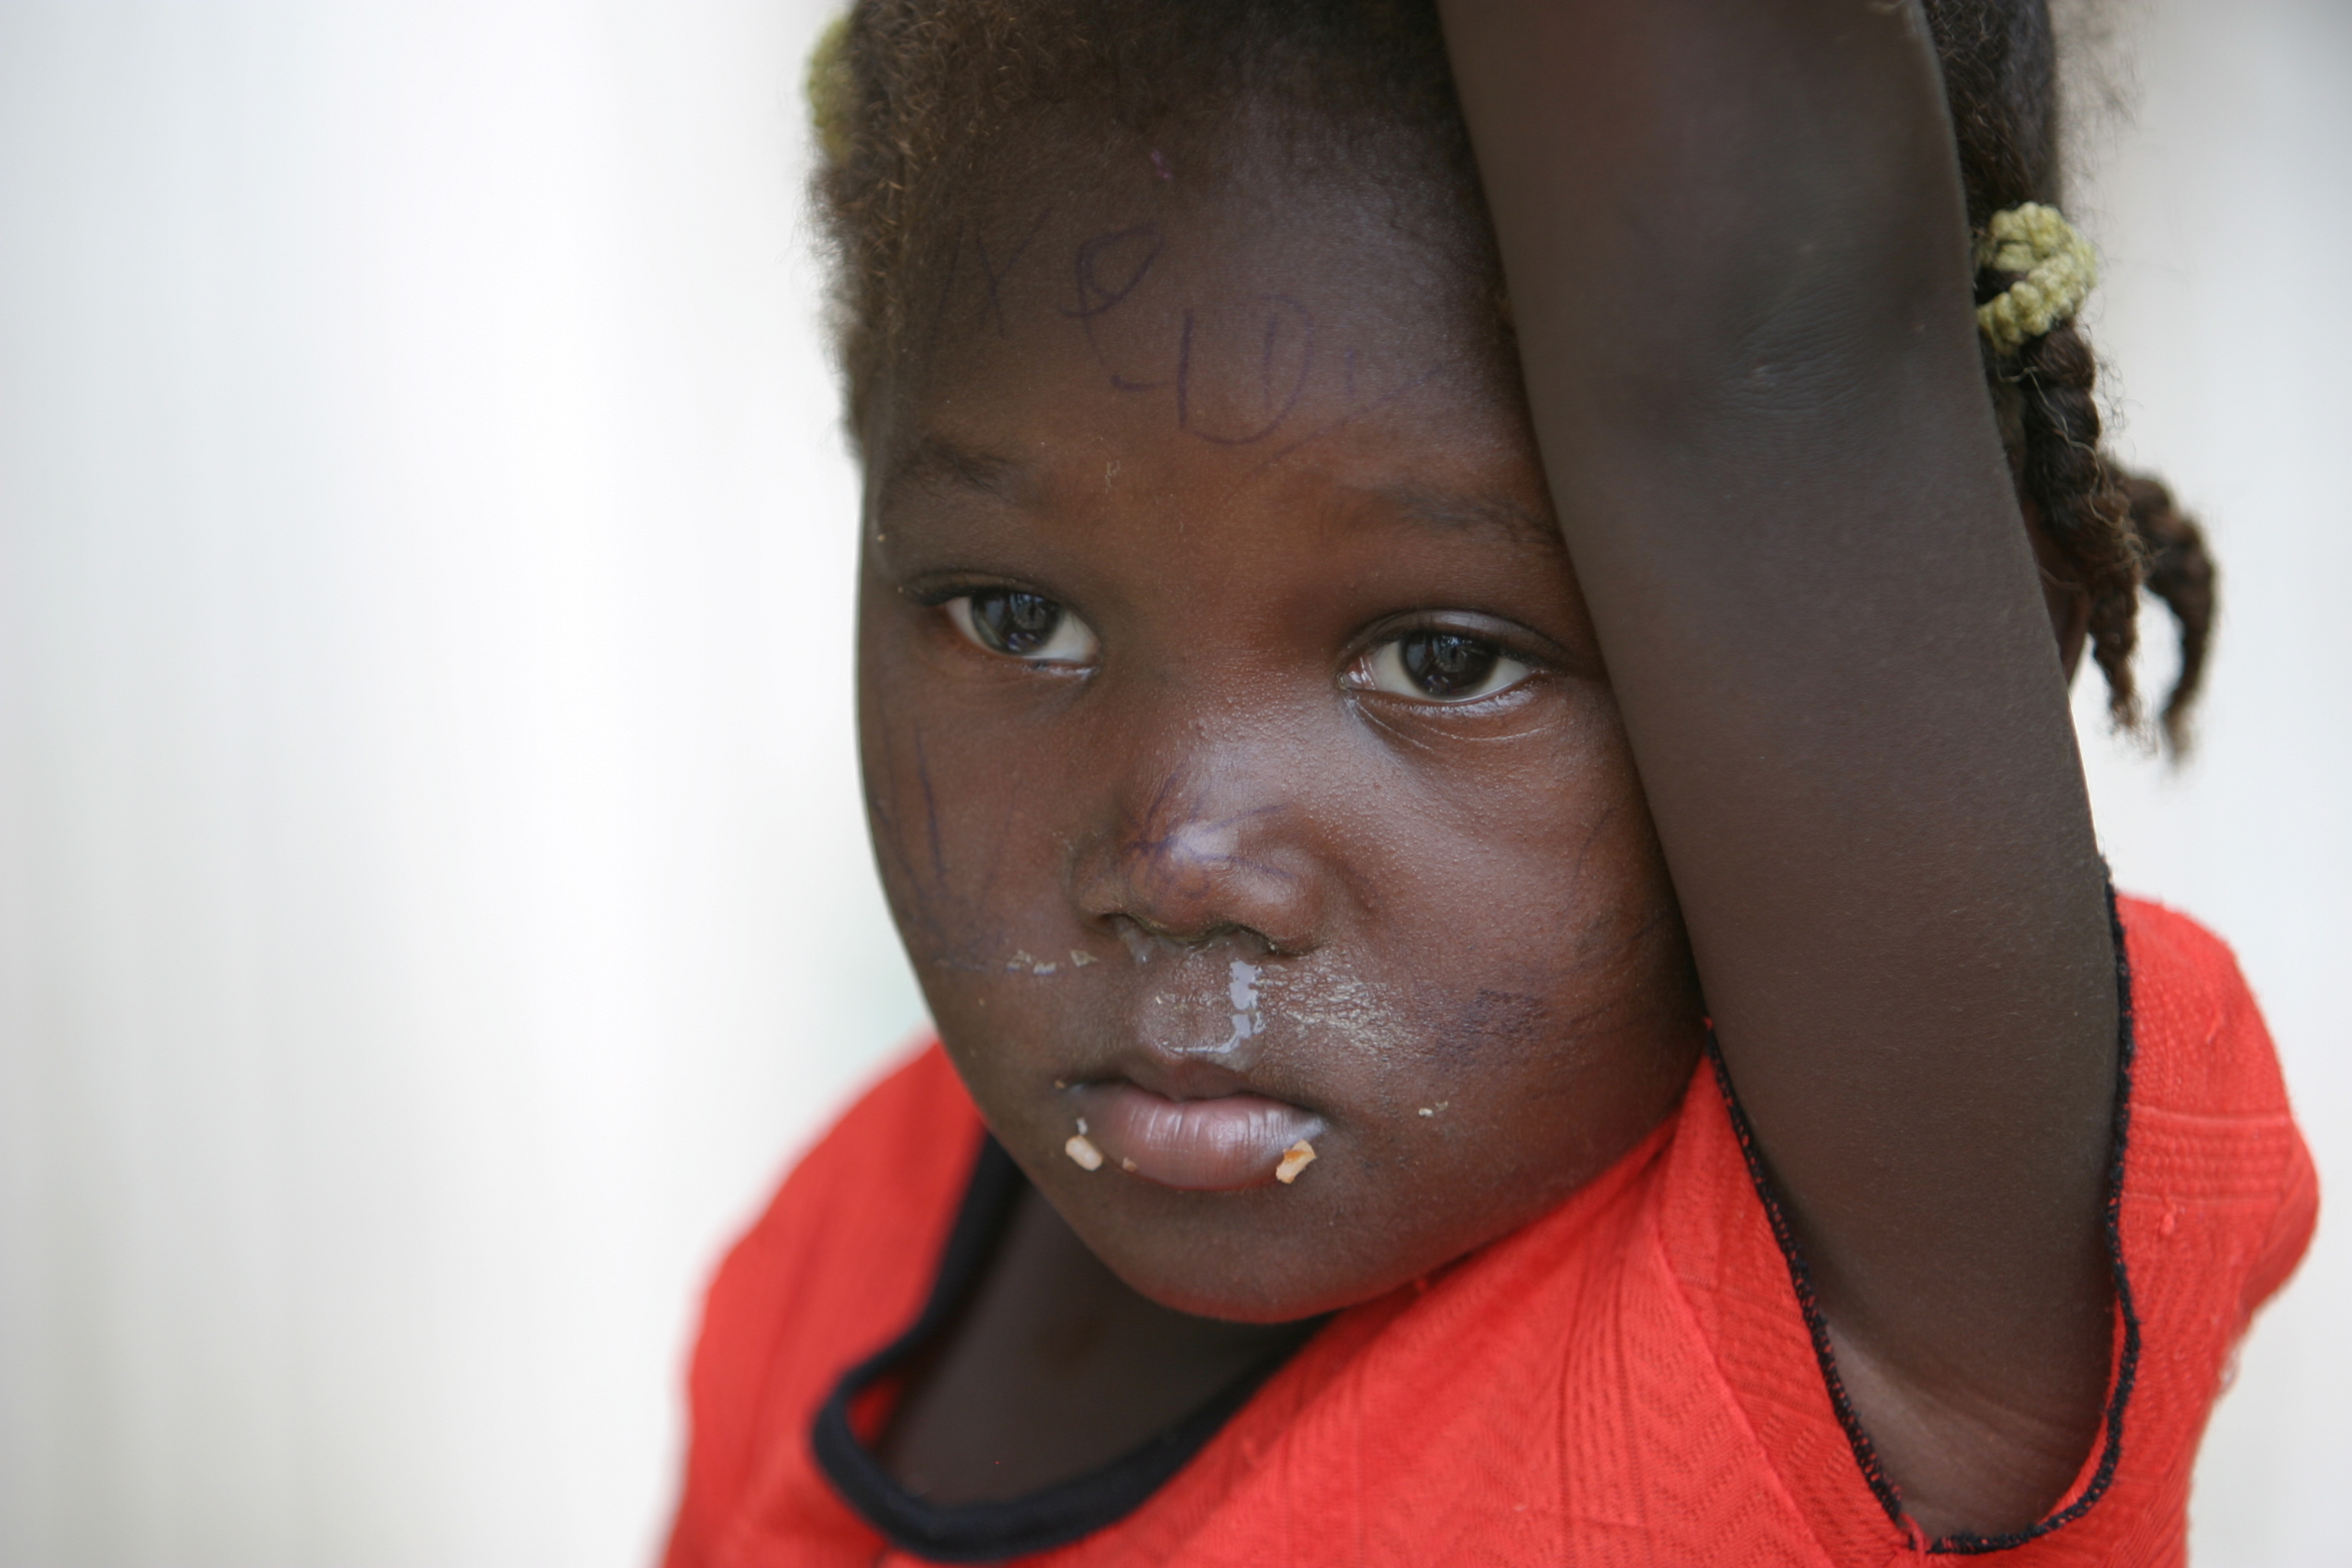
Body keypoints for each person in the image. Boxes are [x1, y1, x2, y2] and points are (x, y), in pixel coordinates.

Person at [663, 2, 2315, 1561]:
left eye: (1444, 659)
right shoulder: (832, 1260)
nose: (1177, 852)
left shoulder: (1876, 1315)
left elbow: (1755, 325)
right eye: (1018, 617)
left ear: (1928, 634)